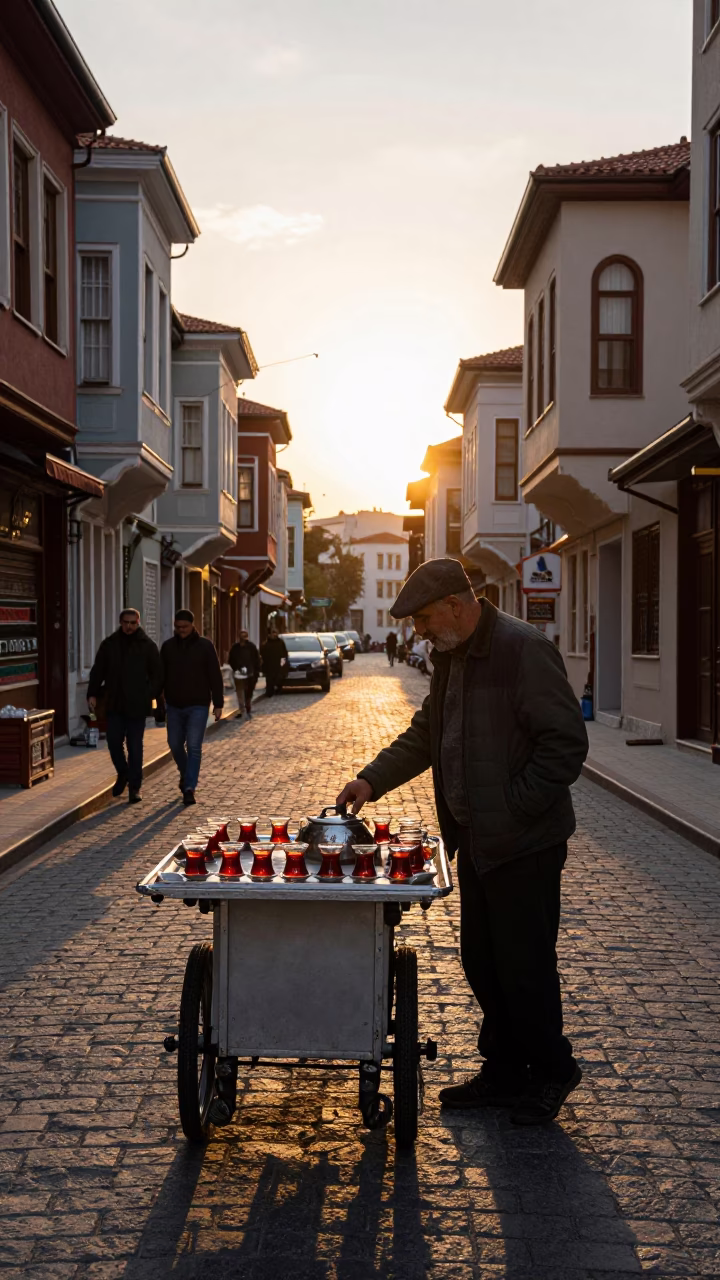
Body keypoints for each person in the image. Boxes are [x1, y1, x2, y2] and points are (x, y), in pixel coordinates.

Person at [337, 557, 589, 1126]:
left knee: (524, 966)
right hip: (477, 841)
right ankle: (503, 1070)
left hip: (524, 842)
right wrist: (371, 779)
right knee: (482, 961)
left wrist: (512, 807)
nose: (419, 631)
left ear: (456, 603)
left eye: (424, 618)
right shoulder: (451, 657)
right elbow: (428, 732)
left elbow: (565, 745)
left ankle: (551, 1069)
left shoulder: (523, 650)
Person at [87, 608, 162, 804]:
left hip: (137, 703)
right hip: (115, 702)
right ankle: (123, 773)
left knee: (135, 746)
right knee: (113, 742)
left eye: (133, 623)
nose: (129, 626)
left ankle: (135, 787)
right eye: (126, 623)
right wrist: (92, 693)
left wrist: (150, 694)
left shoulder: (147, 646)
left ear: (138, 623)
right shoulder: (110, 644)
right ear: (120, 623)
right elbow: (98, 670)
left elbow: (157, 674)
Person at [160, 609, 224, 806]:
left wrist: (219, 703)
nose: (181, 630)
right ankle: (186, 771)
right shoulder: (168, 647)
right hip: (174, 705)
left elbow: (215, 675)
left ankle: (189, 788)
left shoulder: (205, 646)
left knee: (194, 746)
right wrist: (154, 701)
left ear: (192, 625)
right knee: (174, 743)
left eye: (184, 627)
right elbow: (160, 676)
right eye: (177, 627)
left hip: (198, 705)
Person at [228, 628, 260, 718]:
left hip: (249, 673)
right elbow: (231, 660)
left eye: (244, 636)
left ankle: (247, 705)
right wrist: (236, 669)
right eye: (241, 637)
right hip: (238, 674)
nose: (243, 639)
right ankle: (242, 708)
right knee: (240, 691)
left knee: (248, 691)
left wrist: (256, 672)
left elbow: (256, 660)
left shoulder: (252, 647)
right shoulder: (235, 648)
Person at [260, 627, 288, 698]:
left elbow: (284, 654)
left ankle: (278, 689)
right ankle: (269, 692)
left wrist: (283, 663)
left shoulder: (281, 642)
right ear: (270, 634)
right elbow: (262, 655)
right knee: (269, 680)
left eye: (276, 632)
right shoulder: (266, 644)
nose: (274, 634)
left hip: (278, 664)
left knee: (279, 678)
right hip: (269, 665)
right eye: (273, 632)